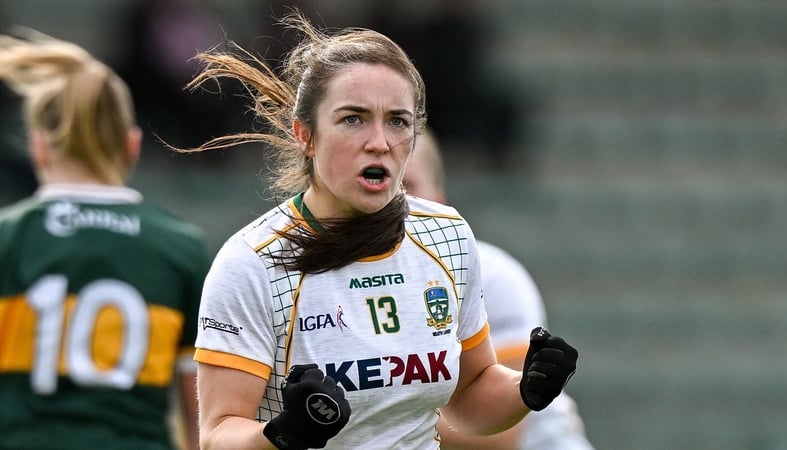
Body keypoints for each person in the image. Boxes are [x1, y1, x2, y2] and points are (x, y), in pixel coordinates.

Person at [184, 11, 577, 450]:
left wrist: (526, 389)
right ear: (305, 135)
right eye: (353, 118)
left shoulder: (446, 237)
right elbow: (217, 435)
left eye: (398, 121)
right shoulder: (252, 262)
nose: (380, 141)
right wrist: (283, 432)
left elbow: (469, 397)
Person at [0, 30, 210, 450]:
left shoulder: (8, 236)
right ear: (131, 146)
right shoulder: (182, 248)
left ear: (39, 148)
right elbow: (202, 422)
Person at [403, 131, 595, 450]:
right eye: (379, 180)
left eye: (408, 186)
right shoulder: (311, 281)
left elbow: (502, 433)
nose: (395, 200)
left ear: (438, 201)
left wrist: (368, 413)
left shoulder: (490, 277)